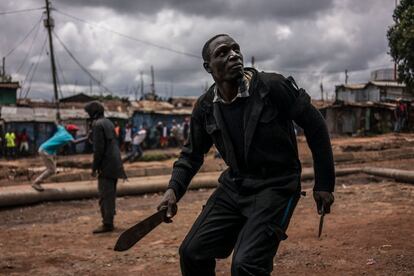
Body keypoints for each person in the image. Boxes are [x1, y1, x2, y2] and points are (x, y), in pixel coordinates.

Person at [157, 34, 335, 275]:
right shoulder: (206, 107)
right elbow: (191, 154)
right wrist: (173, 190)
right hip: (235, 186)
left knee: (246, 265)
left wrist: (324, 183)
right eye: (222, 52)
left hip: (277, 186)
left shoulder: (272, 87)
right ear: (208, 66)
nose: (233, 55)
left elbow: (315, 126)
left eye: (236, 49)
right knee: (192, 253)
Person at [84, 101, 127, 234]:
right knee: (110, 194)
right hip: (115, 163)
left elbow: (99, 150)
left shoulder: (97, 125)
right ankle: (109, 220)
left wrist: (94, 167)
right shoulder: (108, 122)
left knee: (105, 195)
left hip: (106, 165)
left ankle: (107, 223)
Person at [31, 123, 89, 192]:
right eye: (74, 131)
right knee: (51, 170)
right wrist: (86, 138)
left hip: (45, 149)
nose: (75, 133)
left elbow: (56, 123)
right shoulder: (67, 135)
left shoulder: (62, 129)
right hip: (45, 151)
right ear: (71, 131)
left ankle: (39, 181)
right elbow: (75, 142)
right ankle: (36, 182)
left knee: (52, 168)